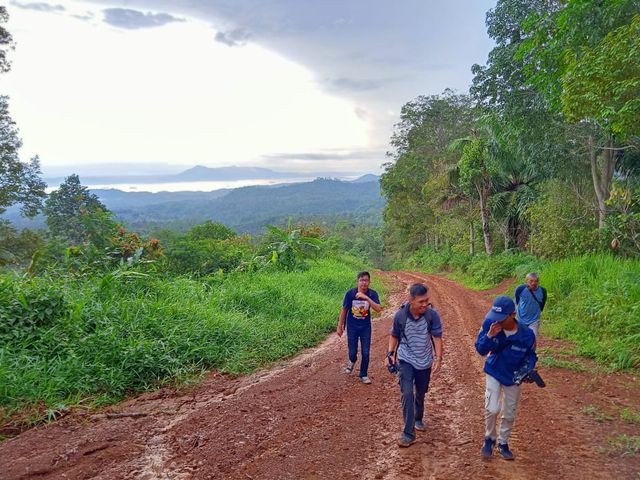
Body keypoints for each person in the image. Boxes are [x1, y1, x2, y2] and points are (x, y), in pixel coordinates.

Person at [475, 295, 537, 461]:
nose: (497, 322)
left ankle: (503, 442)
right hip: (494, 371)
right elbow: (480, 350)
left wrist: (528, 369)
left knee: (509, 412)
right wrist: (489, 336)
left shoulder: (527, 335)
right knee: (492, 408)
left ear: (512, 315)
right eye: (495, 317)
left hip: (513, 376)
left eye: (501, 318)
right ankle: (489, 439)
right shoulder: (490, 325)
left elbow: (531, 356)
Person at [385, 283, 443, 448]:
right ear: (411, 300)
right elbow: (394, 335)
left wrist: (438, 358)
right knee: (407, 392)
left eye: (427, 301)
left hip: (424, 361)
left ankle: (418, 417)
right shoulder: (400, 316)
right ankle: (408, 433)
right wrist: (390, 354)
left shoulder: (432, 316)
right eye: (421, 302)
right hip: (405, 359)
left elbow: (437, 338)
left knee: (421, 392)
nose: (425, 304)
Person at [336, 271, 381, 384]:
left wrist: (366, 298)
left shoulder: (372, 294)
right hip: (352, 327)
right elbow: (344, 310)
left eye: (366, 280)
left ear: (369, 282)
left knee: (366, 352)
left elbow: (378, 309)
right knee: (353, 352)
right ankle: (352, 360)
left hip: (365, 327)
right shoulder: (350, 294)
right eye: (361, 280)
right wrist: (340, 325)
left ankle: (363, 374)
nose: (364, 283)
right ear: (357, 282)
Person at [514, 272, 547, 337]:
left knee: (532, 340)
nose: (533, 283)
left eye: (536, 281)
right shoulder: (520, 289)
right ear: (526, 281)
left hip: (534, 320)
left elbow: (543, 303)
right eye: (531, 281)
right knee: (520, 340)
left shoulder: (542, 290)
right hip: (520, 319)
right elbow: (516, 301)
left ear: (538, 282)